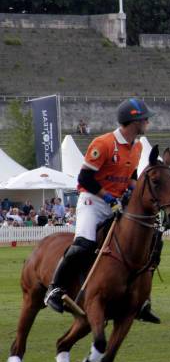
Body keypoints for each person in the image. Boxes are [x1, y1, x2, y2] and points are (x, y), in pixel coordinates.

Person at [44, 98, 160, 324]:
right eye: (144, 118)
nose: (147, 121)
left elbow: (130, 178)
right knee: (84, 245)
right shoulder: (103, 143)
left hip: (116, 202)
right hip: (92, 202)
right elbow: (85, 178)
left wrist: (142, 190)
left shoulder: (136, 147)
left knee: (145, 241)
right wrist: (107, 197)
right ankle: (55, 289)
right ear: (133, 121)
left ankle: (141, 300)